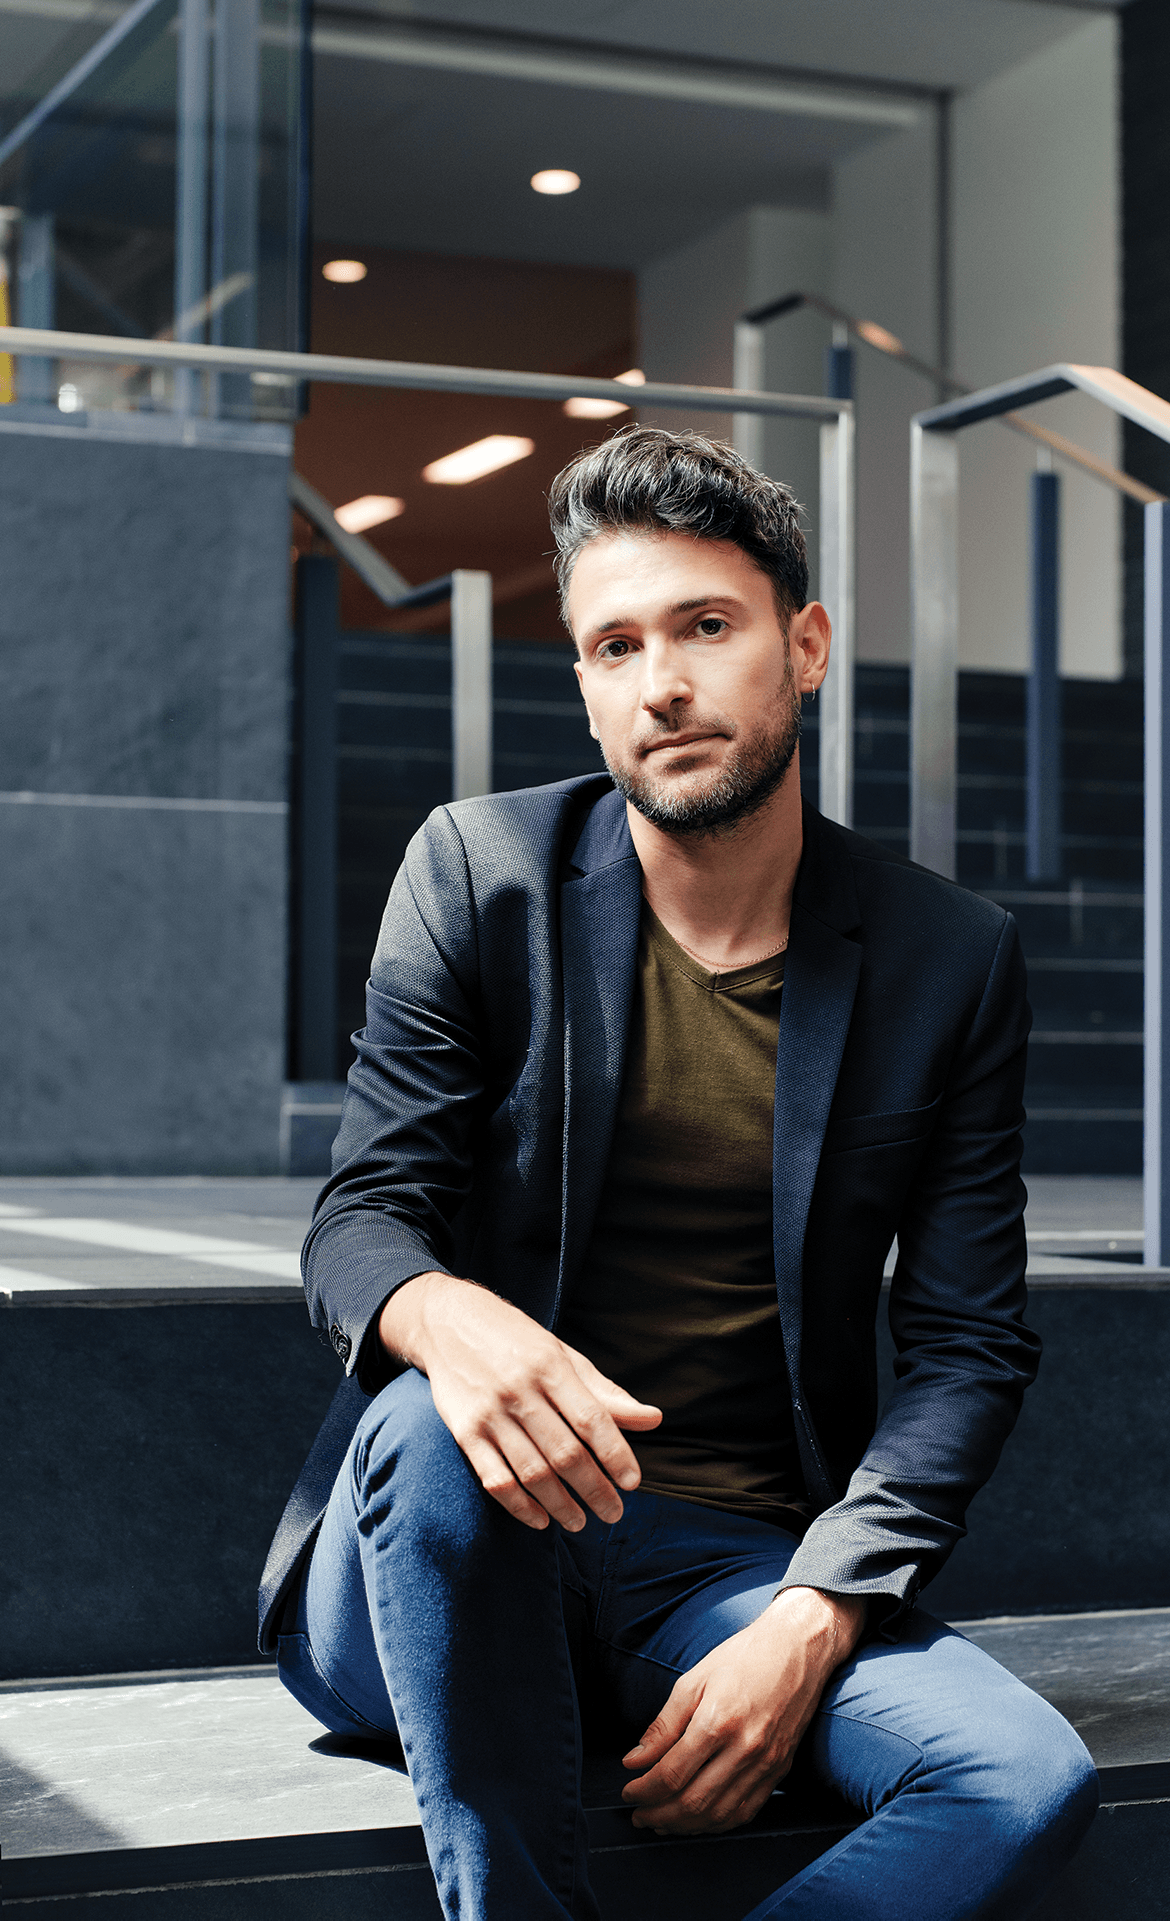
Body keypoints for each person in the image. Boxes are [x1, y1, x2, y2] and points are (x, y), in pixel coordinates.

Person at [259, 427, 1097, 1919]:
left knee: (1014, 1778)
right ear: (582, 683)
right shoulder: (477, 873)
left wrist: (819, 1609)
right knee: (448, 1421)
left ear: (804, 644)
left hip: (724, 1559)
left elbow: (967, 1343)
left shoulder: (943, 955)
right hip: (433, 1552)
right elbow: (362, 1218)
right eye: (614, 645)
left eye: (706, 628)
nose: (662, 684)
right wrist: (459, 1324)